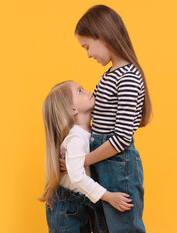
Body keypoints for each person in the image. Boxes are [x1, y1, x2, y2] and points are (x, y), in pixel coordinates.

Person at [59, 5, 152, 232]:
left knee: (124, 228)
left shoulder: (128, 76)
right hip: (106, 163)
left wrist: (83, 160)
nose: (88, 54)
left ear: (103, 36)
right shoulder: (111, 74)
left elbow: (121, 138)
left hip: (119, 167)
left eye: (88, 46)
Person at [39, 81, 134, 233]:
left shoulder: (92, 132)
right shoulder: (75, 137)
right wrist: (109, 196)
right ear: (73, 109)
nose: (88, 91)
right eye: (80, 91)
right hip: (69, 206)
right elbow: (77, 177)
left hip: (85, 204)